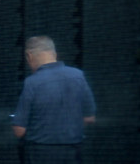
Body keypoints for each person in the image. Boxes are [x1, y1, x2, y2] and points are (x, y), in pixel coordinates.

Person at [11, 35, 97, 164]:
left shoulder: (32, 82)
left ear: (29, 56)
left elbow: (19, 130)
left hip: (40, 153)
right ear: (54, 54)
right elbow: (89, 118)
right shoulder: (78, 76)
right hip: (74, 151)